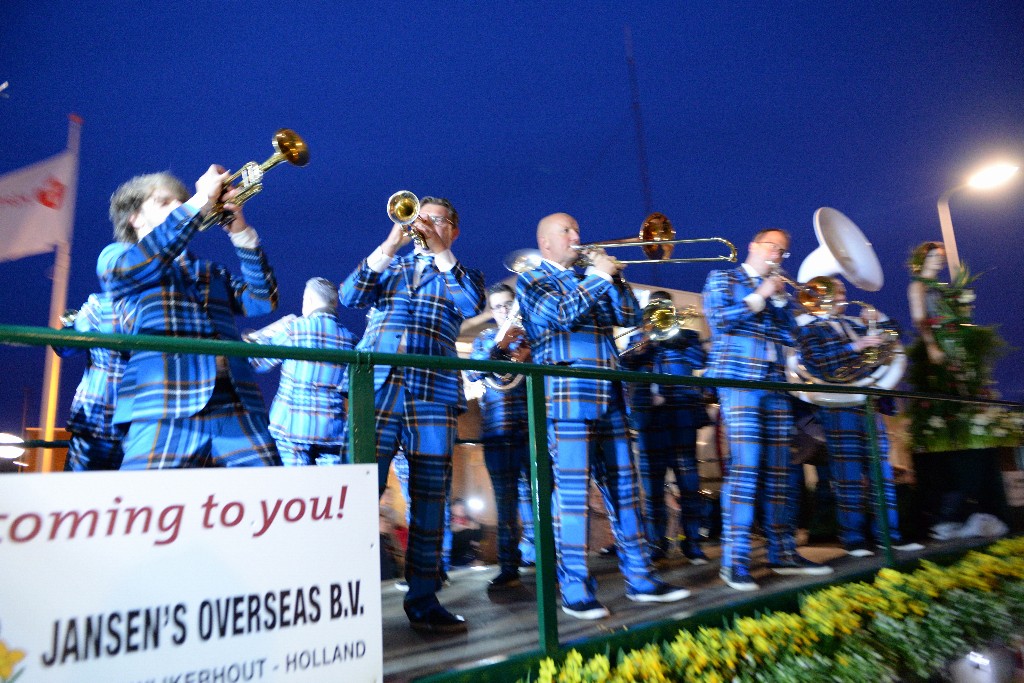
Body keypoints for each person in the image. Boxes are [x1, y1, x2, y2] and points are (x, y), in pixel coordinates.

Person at [516, 212, 690, 620]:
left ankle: (642, 578)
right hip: (567, 397)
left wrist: (617, 277)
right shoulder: (533, 279)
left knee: (626, 493)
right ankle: (574, 587)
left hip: (610, 392)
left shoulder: (588, 276)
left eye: (578, 228)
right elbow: (560, 315)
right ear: (546, 242)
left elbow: (629, 316)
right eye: (567, 231)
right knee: (573, 497)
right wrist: (597, 276)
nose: (577, 235)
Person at [339, 196, 484, 634]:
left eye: (437, 219)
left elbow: (472, 303)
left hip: (432, 394)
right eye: (422, 216)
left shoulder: (460, 273)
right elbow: (349, 294)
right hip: (379, 389)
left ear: (453, 231)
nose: (425, 222)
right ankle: (344, 599)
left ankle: (422, 599)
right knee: (356, 494)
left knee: (429, 499)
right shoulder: (393, 267)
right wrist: (389, 244)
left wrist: (440, 250)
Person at [98, 168, 282, 469]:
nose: (177, 206)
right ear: (135, 218)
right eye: (164, 202)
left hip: (236, 406)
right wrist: (197, 202)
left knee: (272, 506)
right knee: (145, 508)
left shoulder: (208, 269)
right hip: (164, 407)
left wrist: (240, 231)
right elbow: (135, 268)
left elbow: (263, 300)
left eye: (180, 201)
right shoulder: (117, 257)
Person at [702, 228, 832, 592]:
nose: (778, 254)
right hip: (740, 382)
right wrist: (761, 295)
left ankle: (783, 551)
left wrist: (781, 307)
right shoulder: (723, 277)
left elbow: (792, 336)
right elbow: (721, 320)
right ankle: (735, 561)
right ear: (753, 245)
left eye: (783, 251)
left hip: (774, 384)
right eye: (773, 246)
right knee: (745, 467)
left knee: (780, 471)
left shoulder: (779, 291)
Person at [795, 277, 923, 555]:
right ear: (818, 298)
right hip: (838, 405)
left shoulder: (855, 323)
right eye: (835, 292)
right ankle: (853, 539)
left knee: (882, 474)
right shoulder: (810, 329)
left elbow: (893, 340)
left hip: (867, 403)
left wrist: (881, 320)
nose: (842, 296)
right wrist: (857, 346)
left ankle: (889, 536)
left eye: (842, 291)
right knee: (848, 475)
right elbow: (820, 363)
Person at [618, 291, 711, 564]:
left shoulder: (687, 338)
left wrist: (675, 336)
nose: (660, 316)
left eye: (666, 310)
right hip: (650, 421)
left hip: (682, 416)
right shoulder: (637, 341)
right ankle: (656, 544)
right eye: (655, 312)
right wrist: (645, 346)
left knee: (689, 484)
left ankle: (692, 544)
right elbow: (622, 366)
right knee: (653, 487)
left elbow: (701, 362)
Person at [466, 283, 535, 589]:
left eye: (508, 304)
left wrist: (527, 354)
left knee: (537, 498)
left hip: (530, 431)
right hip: (497, 433)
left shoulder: (530, 337)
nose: (504, 311)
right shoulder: (483, 338)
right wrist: (500, 345)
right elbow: (473, 372)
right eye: (497, 306)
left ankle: (540, 556)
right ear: (491, 311)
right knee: (505, 503)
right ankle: (509, 566)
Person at [249, 277, 357, 466]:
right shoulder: (351, 340)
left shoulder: (294, 330)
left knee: (295, 490)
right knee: (330, 492)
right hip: (333, 432)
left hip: (291, 429)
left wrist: (271, 330)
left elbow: (257, 362)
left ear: (310, 301)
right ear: (334, 303)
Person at [56, 293, 130, 470]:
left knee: (77, 493)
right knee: (129, 495)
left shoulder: (101, 303)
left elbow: (63, 347)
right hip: (140, 427)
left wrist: (75, 325)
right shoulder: (160, 306)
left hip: (96, 419)